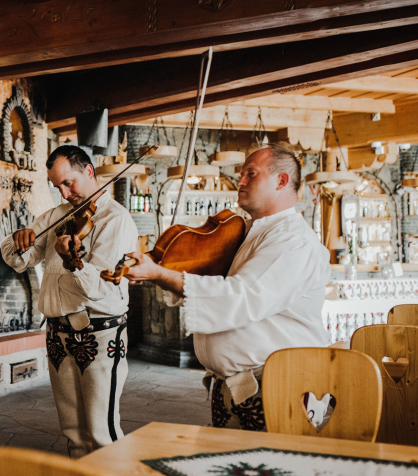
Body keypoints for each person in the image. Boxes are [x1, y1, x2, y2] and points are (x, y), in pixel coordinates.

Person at [123, 142, 330, 431]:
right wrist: (159, 265)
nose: (240, 181)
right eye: (241, 173)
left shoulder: (293, 241)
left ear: (281, 180)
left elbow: (243, 296)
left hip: (277, 387)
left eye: (251, 174)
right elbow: (213, 280)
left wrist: (160, 274)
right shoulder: (250, 232)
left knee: (268, 470)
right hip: (236, 387)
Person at [0, 145, 138, 458]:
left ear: (89, 172)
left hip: (99, 334)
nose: (64, 193)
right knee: (73, 431)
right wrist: (18, 239)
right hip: (57, 334)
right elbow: (16, 260)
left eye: (69, 183)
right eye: (57, 186)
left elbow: (101, 289)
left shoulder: (115, 221)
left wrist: (73, 261)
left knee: (102, 430)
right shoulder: (57, 216)